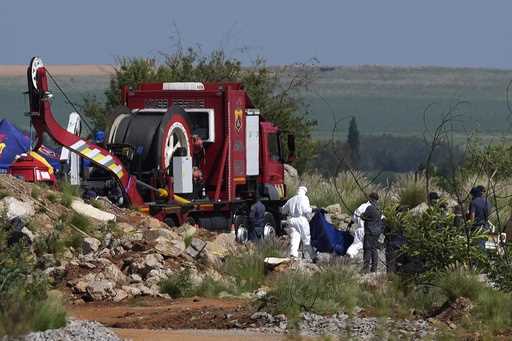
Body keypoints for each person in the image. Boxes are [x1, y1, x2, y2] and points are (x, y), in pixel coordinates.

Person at [282, 186, 316, 261]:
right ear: (304, 191)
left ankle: (293, 255)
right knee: (306, 239)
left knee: (294, 238)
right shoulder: (304, 198)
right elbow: (306, 210)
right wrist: (313, 210)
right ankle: (313, 256)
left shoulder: (291, 199)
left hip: (292, 220)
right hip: (301, 220)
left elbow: (283, 210)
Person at [361, 192, 384, 273]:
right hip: (377, 232)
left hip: (370, 232)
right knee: (374, 249)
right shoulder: (379, 208)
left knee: (367, 249)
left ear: (371, 198)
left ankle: (365, 269)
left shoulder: (370, 208)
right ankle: (374, 269)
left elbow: (363, 216)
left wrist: (361, 215)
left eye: (369, 198)